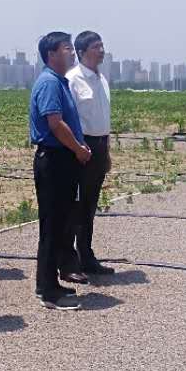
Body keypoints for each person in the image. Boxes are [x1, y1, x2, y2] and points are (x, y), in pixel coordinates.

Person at [29, 31, 91, 310]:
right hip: (54, 160)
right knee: (52, 226)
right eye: (67, 48)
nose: (72, 52)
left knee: (59, 223)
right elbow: (54, 123)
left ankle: (49, 282)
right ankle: (48, 291)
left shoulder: (59, 81)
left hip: (63, 159)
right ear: (51, 54)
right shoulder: (49, 83)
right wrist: (78, 148)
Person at [66, 30, 114, 276]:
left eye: (102, 45)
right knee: (75, 206)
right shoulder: (72, 79)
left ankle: (86, 255)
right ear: (81, 52)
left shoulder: (102, 79)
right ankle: (68, 260)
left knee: (89, 205)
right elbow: (68, 120)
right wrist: (77, 148)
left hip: (100, 146)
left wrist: (107, 151)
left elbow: (103, 119)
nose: (101, 50)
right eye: (96, 46)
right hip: (81, 148)